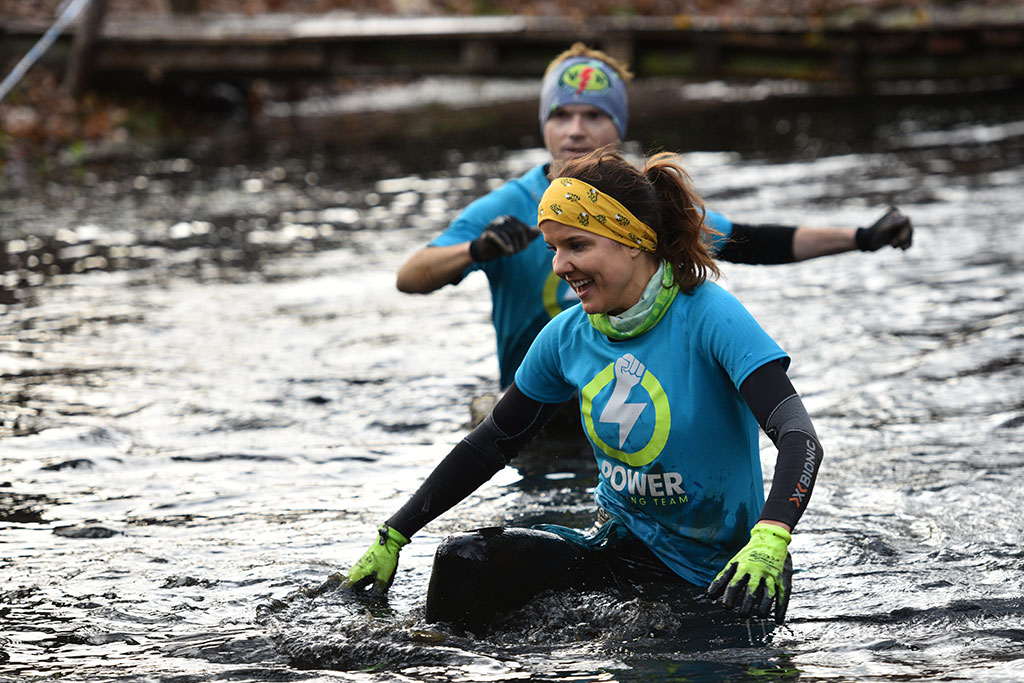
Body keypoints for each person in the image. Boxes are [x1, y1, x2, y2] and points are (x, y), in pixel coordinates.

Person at [345, 148, 824, 632]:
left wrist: (772, 534)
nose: (558, 266)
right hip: (621, 551)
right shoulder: (566, 335)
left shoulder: (710, 316)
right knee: (463, 560)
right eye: (553, 248)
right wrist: (395, 533)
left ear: (632, 241)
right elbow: (493, 441)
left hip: (730, 576)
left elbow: (799, 437)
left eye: (576, 245)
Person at [396, 43, 912, 391]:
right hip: (538, 404)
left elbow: (754, 242)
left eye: (593, 115)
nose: (575, 130)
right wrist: (476, 250)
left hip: (627, 396)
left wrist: (862, 237)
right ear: (544, 124)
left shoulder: (642, 201)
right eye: (562, 114)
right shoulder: (507, 207)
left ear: (617, 125)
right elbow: (409, 277)